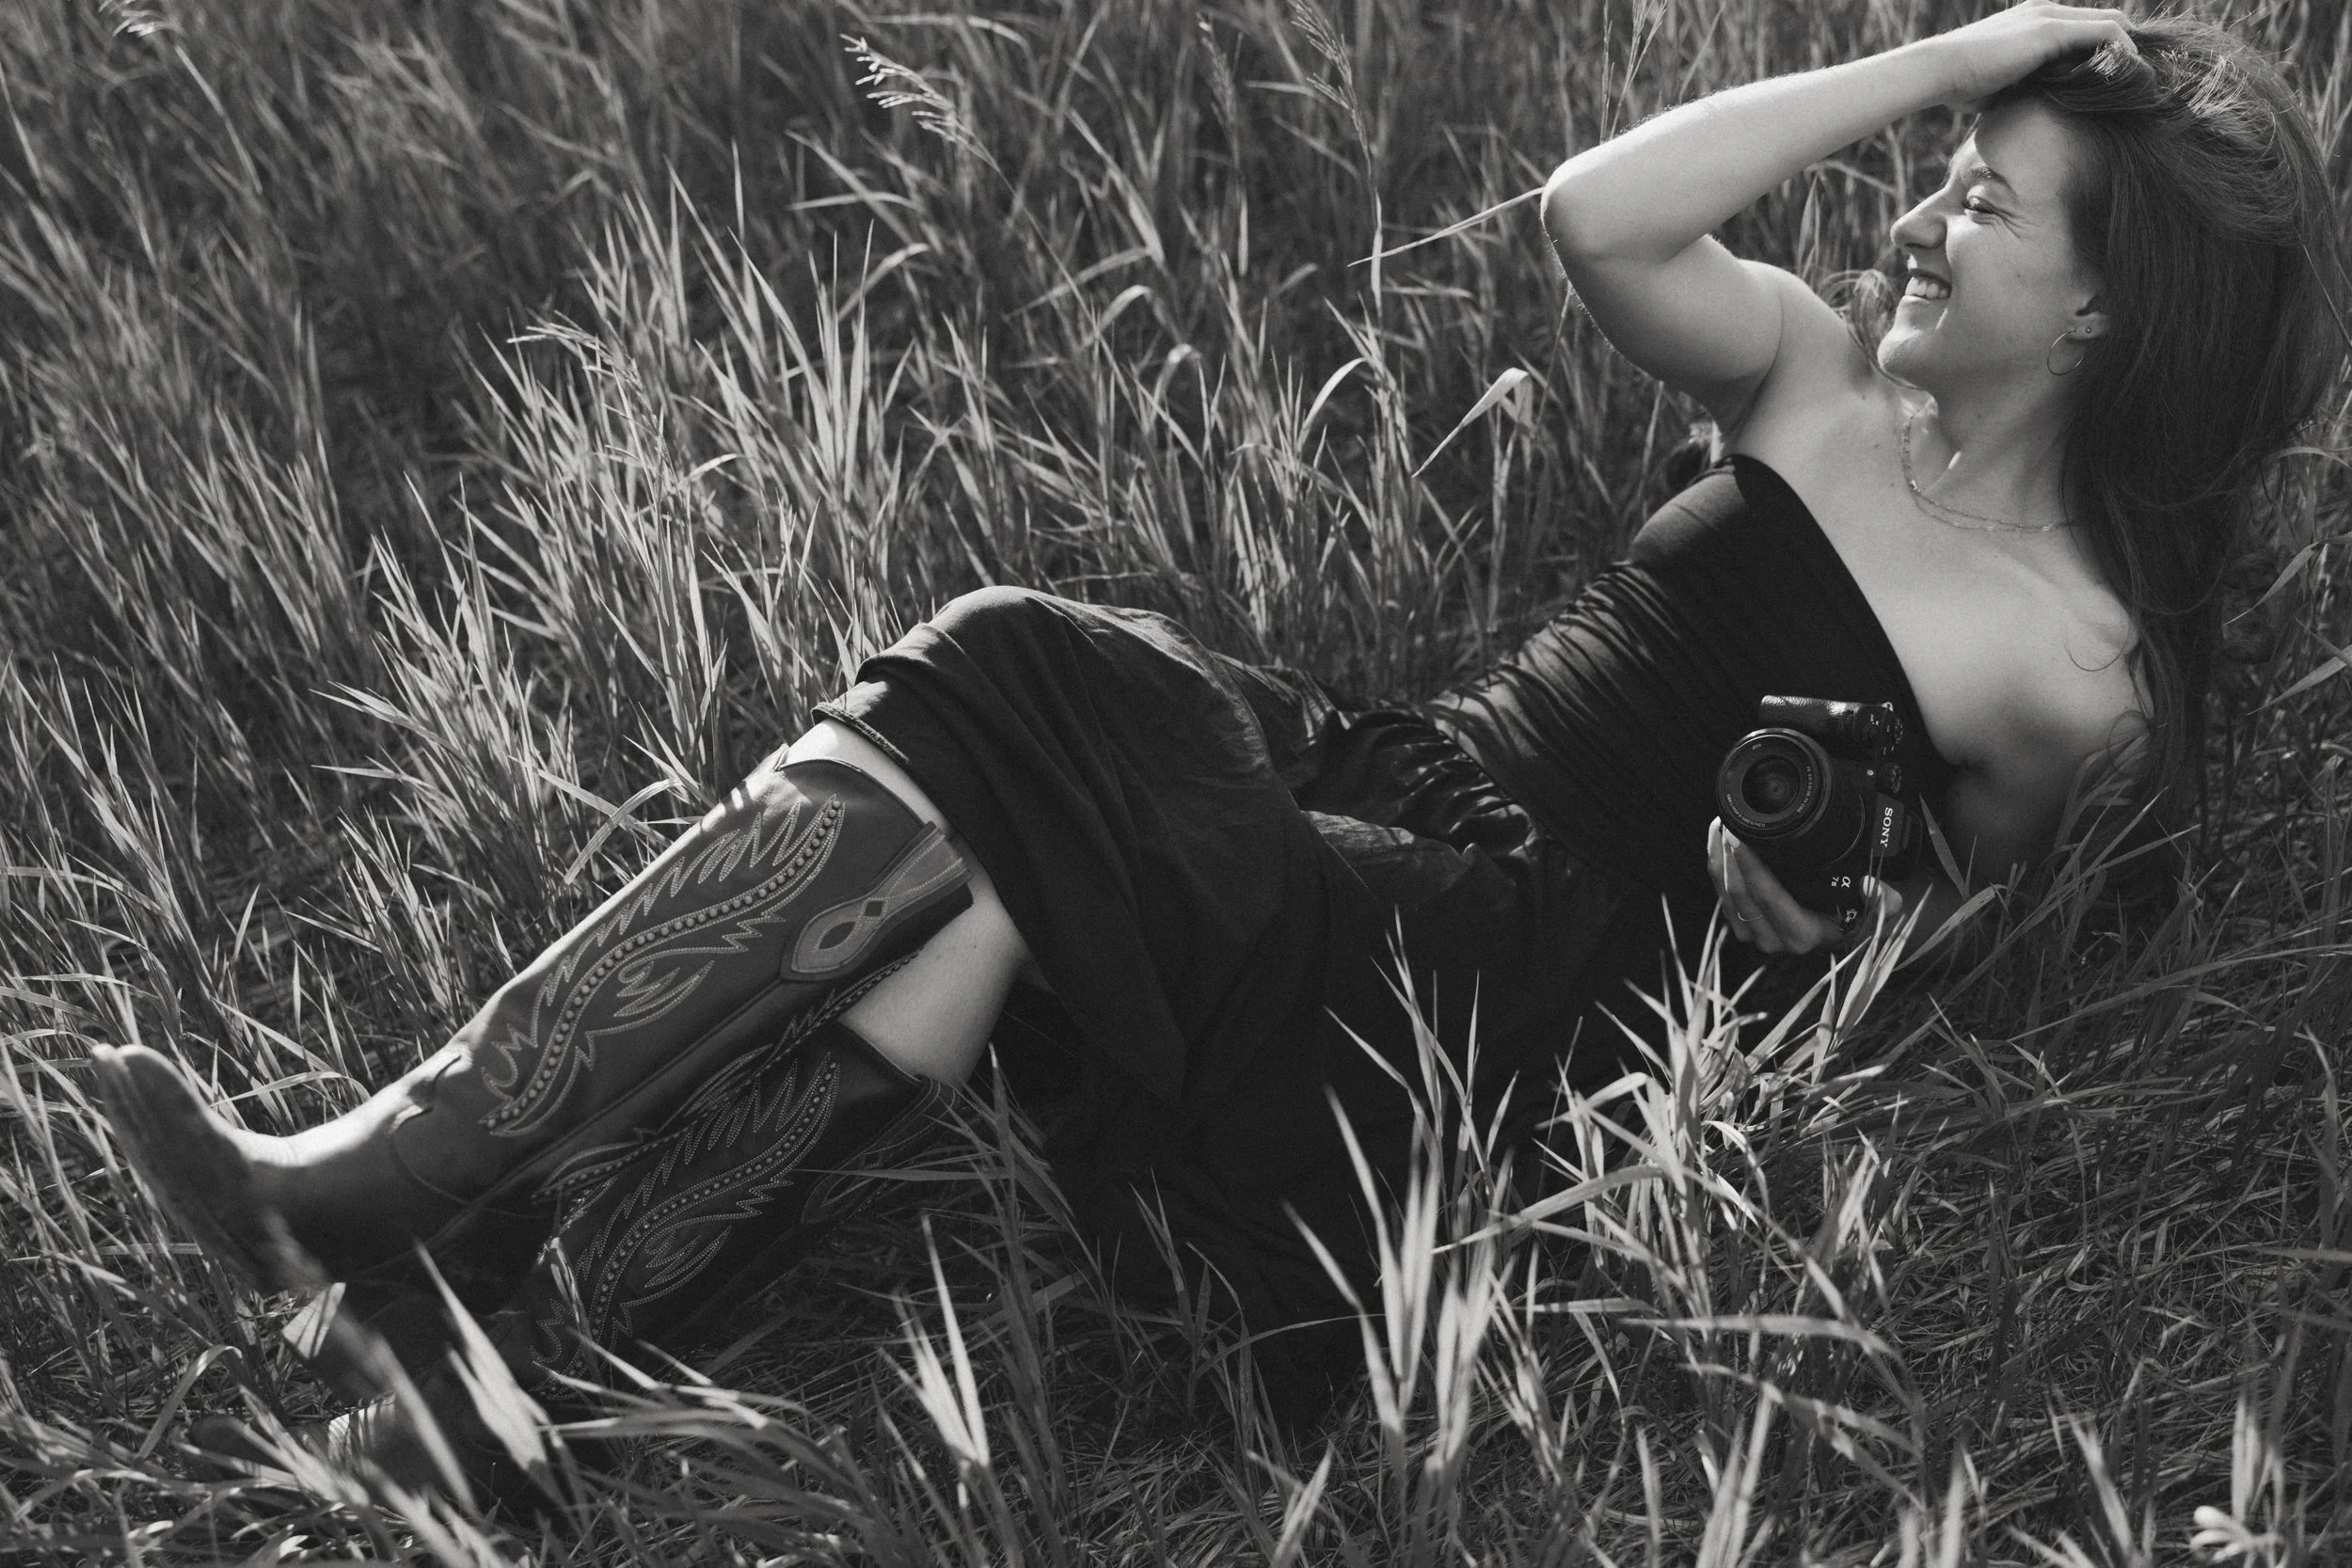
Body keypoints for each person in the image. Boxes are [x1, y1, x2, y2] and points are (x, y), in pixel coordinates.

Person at [90, 4, 2340, 1500]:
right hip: (1397, 778)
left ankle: (399, 1175)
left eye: (1987, 191)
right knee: (969, 861)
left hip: (1505, 977)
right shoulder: (1823, 374)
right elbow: (1594, 217)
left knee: (1007, 680)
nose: (1927, 205)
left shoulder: (2075, 667)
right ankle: (487, 1379)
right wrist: (1968, 47)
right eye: (1943, 161)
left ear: (2111, 303)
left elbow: (1955, 987)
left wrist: (1809, 936)